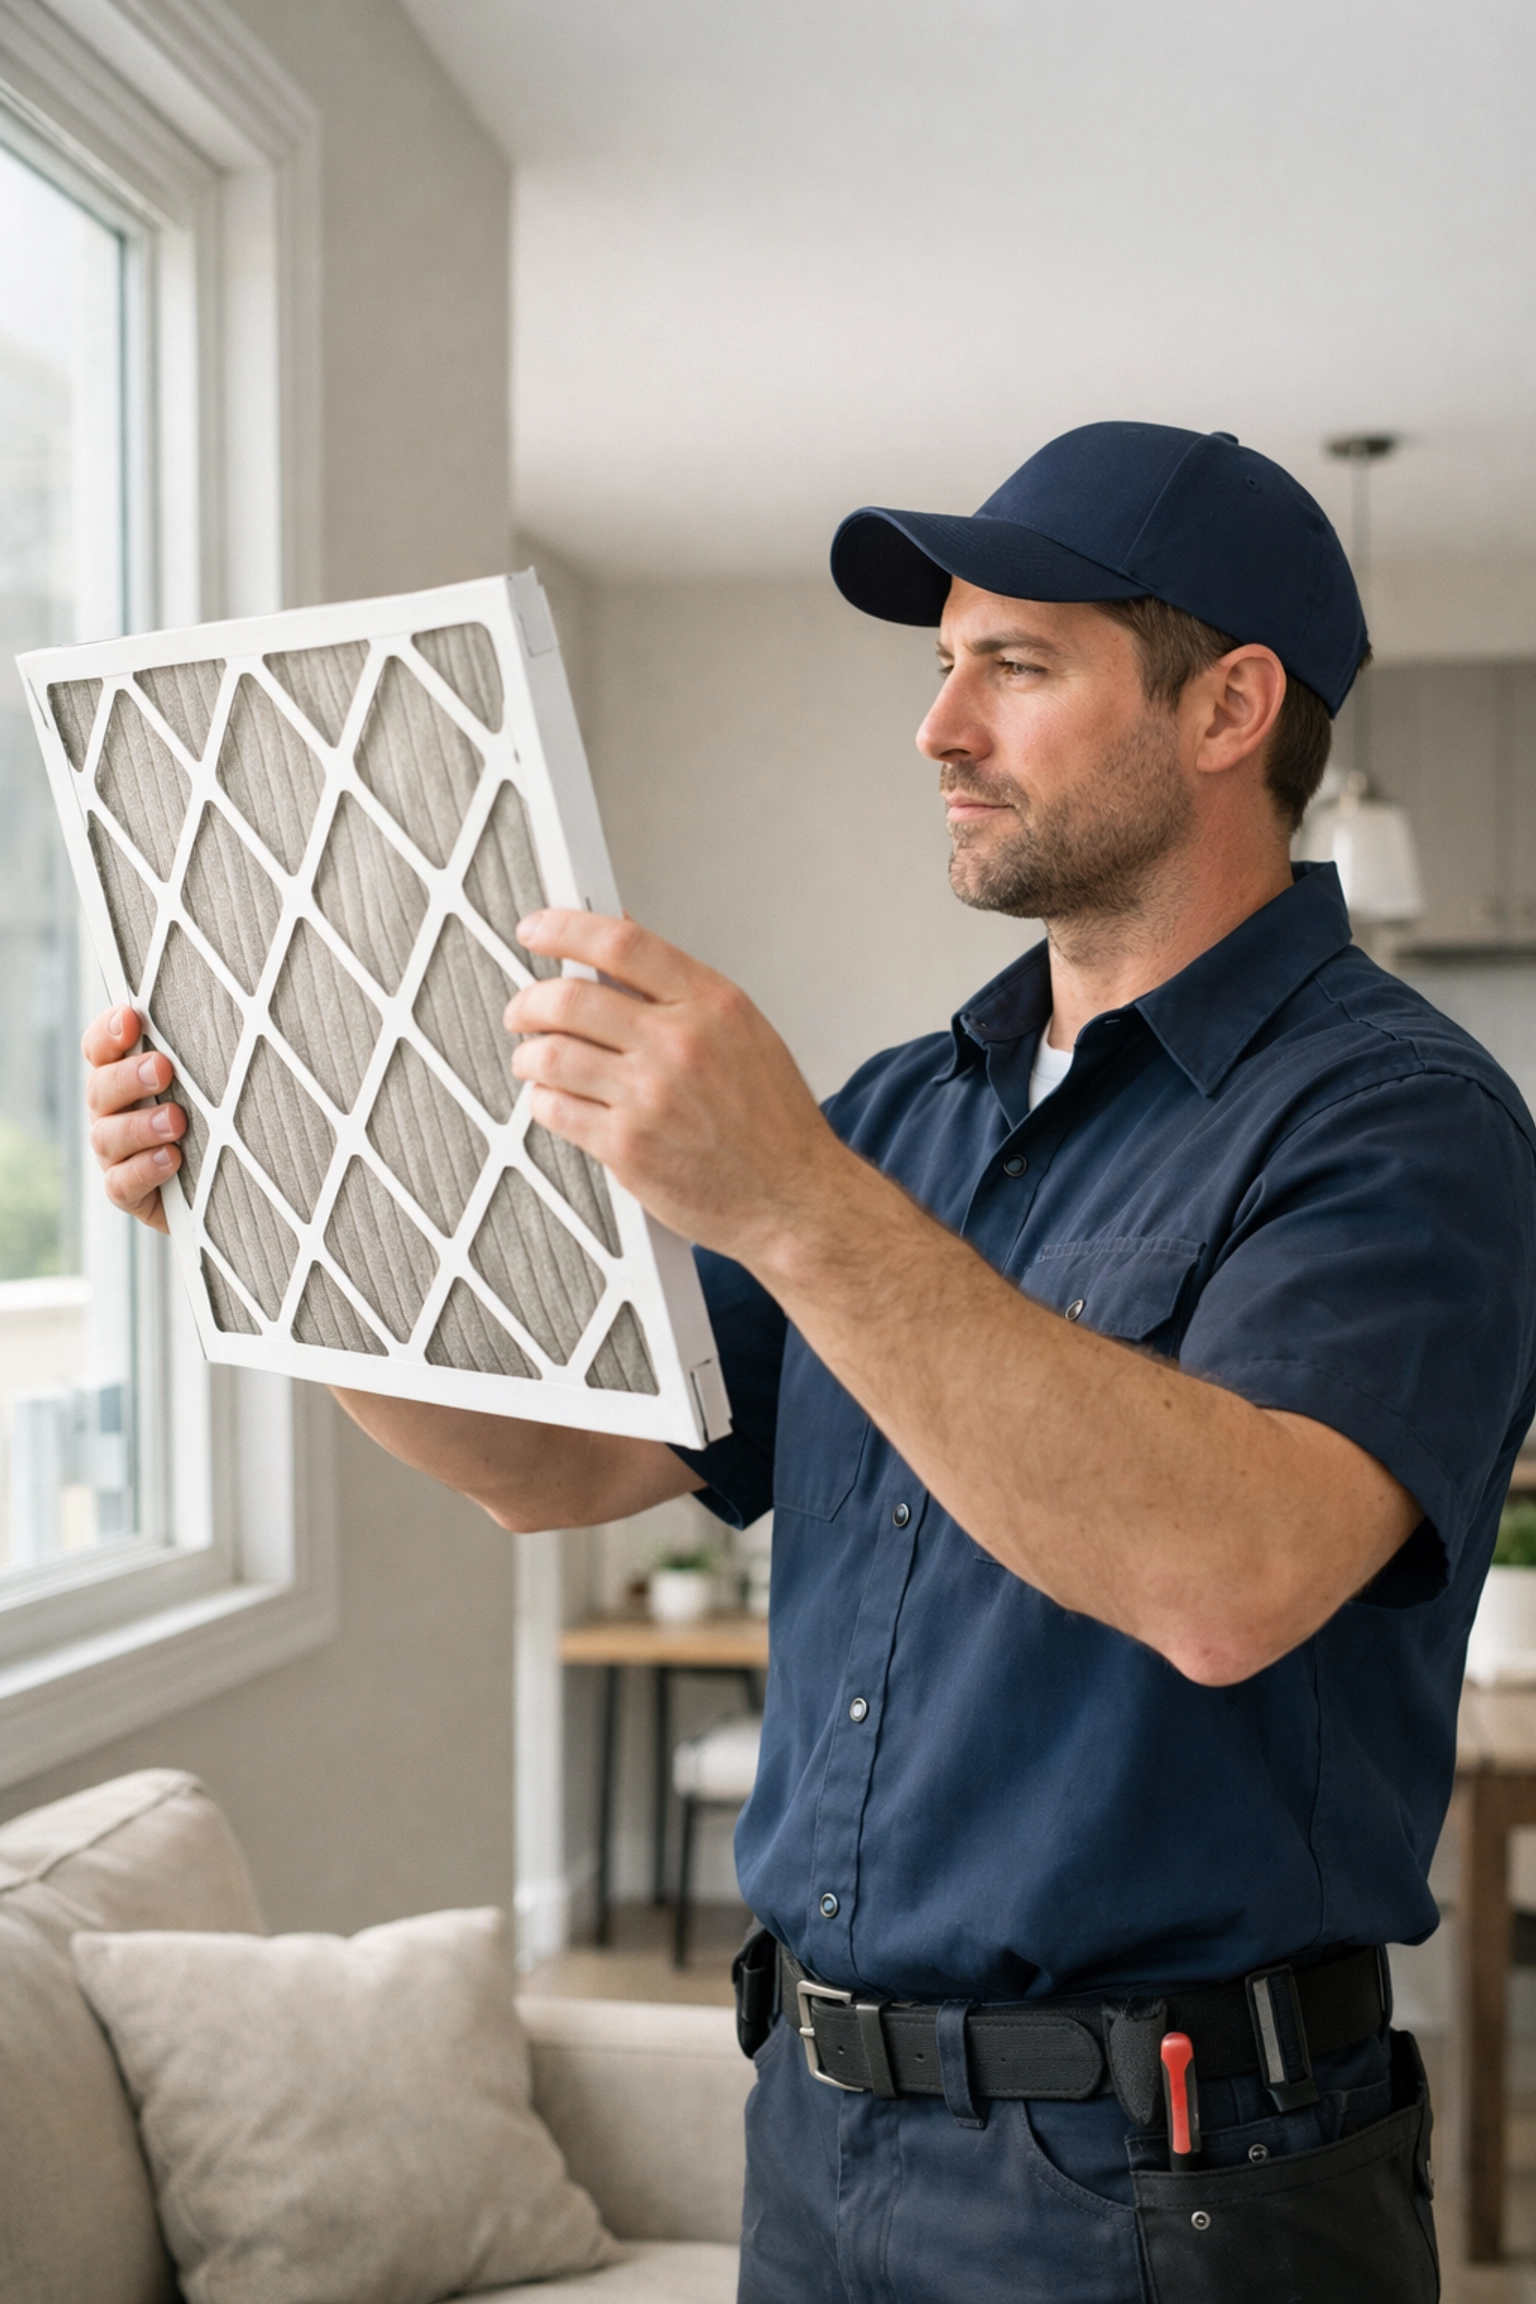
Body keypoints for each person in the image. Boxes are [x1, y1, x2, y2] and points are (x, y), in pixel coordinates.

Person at [85, 422, 1536, 2302]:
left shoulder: (1401, 1118)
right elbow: (561, 1470)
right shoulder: (905, 1119)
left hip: (1172, 2195)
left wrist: (785, 1199)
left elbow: (1230, 1575)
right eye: (943, 666)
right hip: (818, 2146)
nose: (940, 730)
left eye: (1015, 666)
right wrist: (267, 1204)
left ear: (1230, 707)